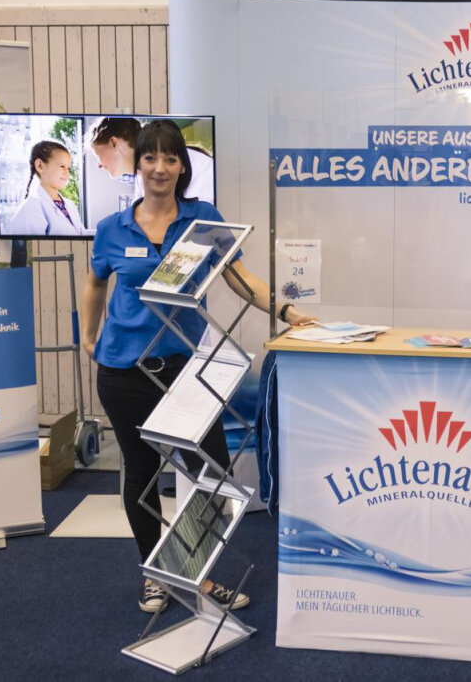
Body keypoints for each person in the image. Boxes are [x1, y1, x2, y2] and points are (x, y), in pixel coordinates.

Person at [80, 120, 314, 614]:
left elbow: (240, 278)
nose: (160, 168)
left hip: (187, 368)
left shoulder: (202, 219)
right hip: (124, 371)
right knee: (141, 477)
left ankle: (197, 575)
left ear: (183, 167)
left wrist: (287, 312)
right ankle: (154, 575)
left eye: (170, 159)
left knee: (210, 472)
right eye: (150, 158)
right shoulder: (110, 228)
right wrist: (88, 333)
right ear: (138, 164)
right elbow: (96, 284)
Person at [89, 116, 215, 204]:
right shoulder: (141, 178)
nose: (99, 165)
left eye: (97, 155)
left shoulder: (203, 168)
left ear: (114, 143)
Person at [6, 141, 86, 236]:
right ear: (40, 166)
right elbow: (30, 248)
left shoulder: (70, 205)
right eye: (62, 166)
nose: (67, 173)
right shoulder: (31, 207)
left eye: (68, 168)